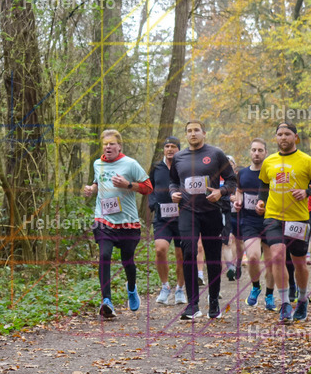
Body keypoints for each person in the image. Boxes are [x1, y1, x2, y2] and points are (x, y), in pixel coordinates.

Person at [256, 123, 311, 324]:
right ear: (276, 138)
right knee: (278, 256)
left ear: (295, 137)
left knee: (299, 263)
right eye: (279, 134)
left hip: (298, 218)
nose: (283, 137)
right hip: (273, 217)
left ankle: (303, 299)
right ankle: (285, 304)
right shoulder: (269, 161)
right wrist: (261, 200)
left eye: (287, 134)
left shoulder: (306, 161)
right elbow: (263, 183)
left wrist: (307, 192)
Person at [169, 121, 237, 320]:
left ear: (204, 133)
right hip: (187, 212)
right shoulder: (179, 157)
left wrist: (221, 192)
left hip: (211, 211)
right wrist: (173, 192)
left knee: (212, 257)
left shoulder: (215, 154)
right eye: (189, 131)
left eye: (196, 130)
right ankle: (192, 305)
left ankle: (214, 300)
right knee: (189, 251)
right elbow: (173, 181)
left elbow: (232, 180)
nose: (192, 134)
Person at [83, 129, 153, 319]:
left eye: (112, 143)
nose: (108, 147)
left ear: (119, 146)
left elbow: (148, 188)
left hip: (128, 223)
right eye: (105, 144)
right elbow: (99, 183)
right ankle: (107, 301)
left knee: (127, 261)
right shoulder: (97, 163)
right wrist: (92, 189)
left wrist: (128, 185)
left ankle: (131, 288)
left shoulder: (130, 164)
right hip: (104, 220)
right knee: (104, 255)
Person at [147, 136, 187, 306]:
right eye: (167, 146)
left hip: (182, 217)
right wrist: (152, 203)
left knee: (181, 255)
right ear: (163, 149)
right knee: (160, 250)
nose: (170, 149)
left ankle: (180, 289)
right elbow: (149, 187)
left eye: (173, 147)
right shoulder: (156, 167)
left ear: (179, 149)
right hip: (162, 217)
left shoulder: (184, 166)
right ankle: (165, 286)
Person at [233, 138, 269, 308]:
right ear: (250, 152)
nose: (256, 153)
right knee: (253, 257)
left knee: (272, 262)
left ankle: (270, 295)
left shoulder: (271, 172)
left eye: (260, 150)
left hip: (270, 221)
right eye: (254, 150)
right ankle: (256, 287)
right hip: (249, 221)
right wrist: (237, 201)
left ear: (265, 153)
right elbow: (239, 192)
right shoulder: (243, 173)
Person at [223, 154, 241, 281]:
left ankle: (237, 263)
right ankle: (231, 267)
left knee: (238, 242)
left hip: (239, 214)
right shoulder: (219, 179)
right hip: (226, 213)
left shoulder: (241, 177)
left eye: (230, 164)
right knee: (228, 241)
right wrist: (228, 198)